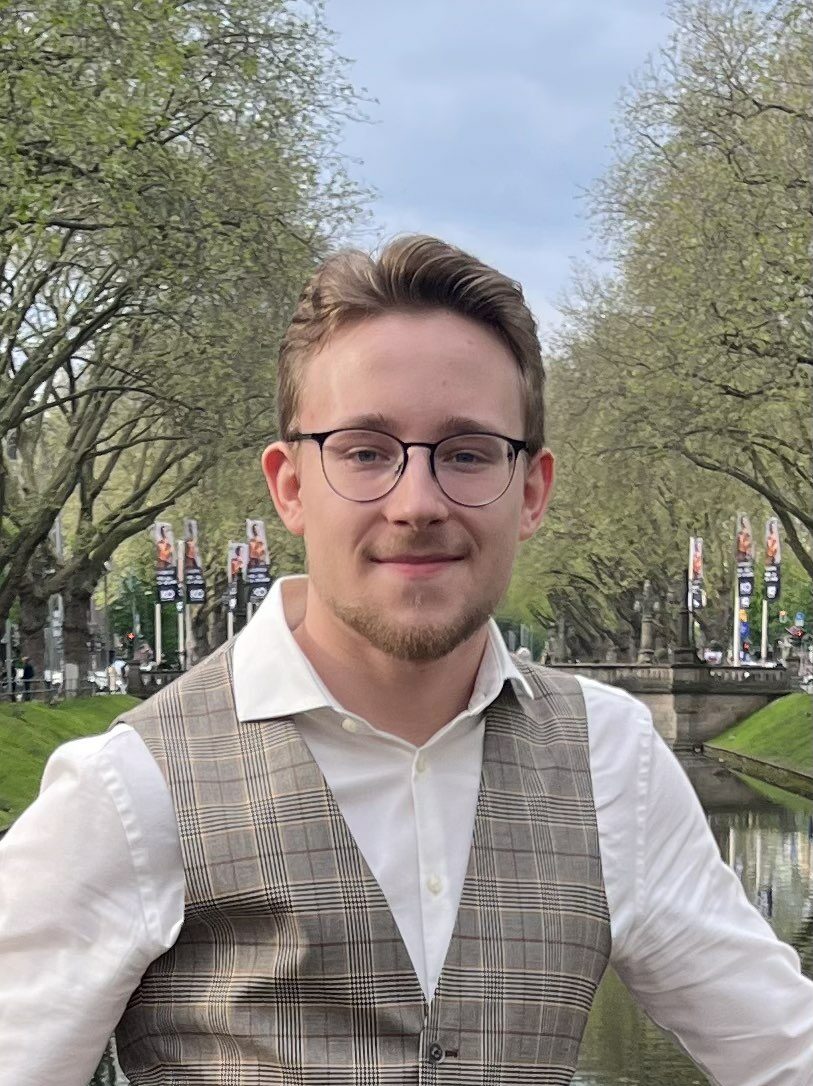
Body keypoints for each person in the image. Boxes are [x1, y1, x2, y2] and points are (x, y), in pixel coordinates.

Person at [0, 236, 811, 1086]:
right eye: (364, 451)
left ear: (530, 491)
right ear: (290, 486)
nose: (416, 504)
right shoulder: (131, 788)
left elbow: (784, 1051)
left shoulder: (612, 759)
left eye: (466, 453)